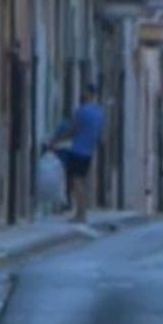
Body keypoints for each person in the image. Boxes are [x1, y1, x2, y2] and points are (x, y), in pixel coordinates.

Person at [45, 85, 106, 224]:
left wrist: (55, 140)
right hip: (89, 152)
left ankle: (81, 214)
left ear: (89, 94)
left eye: (84, 92)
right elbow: (101, 136)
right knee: (81, 181)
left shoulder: (81, 111)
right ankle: (81, 212)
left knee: (76, 182)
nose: (82, 94)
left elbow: (72, 130)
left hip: (78, 150)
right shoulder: (100, 113)